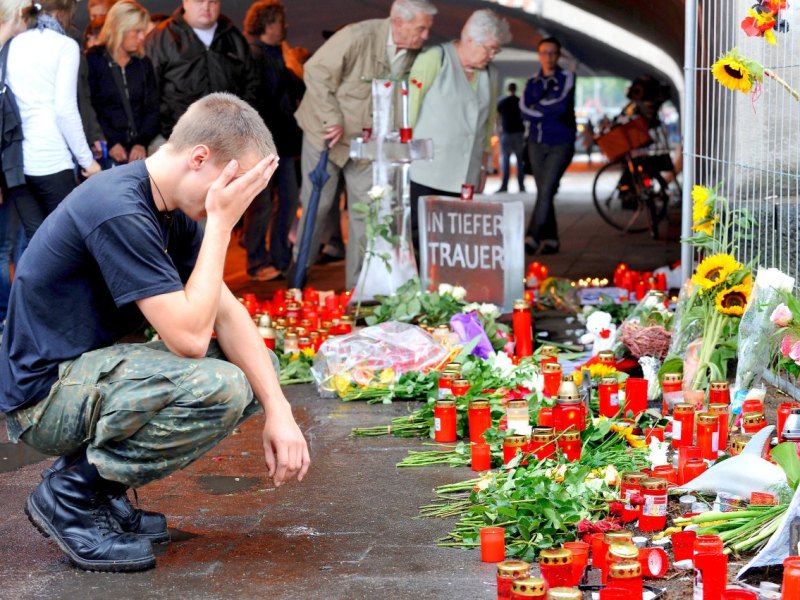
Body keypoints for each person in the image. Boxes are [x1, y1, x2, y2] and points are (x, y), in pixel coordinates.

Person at [0, 92, 311, 572]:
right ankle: (72, 495)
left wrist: (280, 410)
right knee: (219, 382)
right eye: (234, 187)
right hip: (43, 398)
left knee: (258, 370)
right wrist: (222, 226)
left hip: (86, 374)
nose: (237, 204)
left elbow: (226, 316)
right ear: (200, 159)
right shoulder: (119, 206)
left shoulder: (168, 207)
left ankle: (97, 492)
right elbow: (187, 339)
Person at [292, 0, 436, 289]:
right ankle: (297, 278)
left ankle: (359, 290)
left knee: (367, 212)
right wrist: (331, 118)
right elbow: (316, 70)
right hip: (327, 135)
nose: (425, 36)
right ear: (398, 22)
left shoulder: (412, 52)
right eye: (420, 29)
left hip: (366, 145)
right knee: (317, 206)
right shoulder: (358, 36)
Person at [408, 9, 509, 256]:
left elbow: (488, 123)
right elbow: (409, 108)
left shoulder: (491, 73)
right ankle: (423, 289)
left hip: (466, 173)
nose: (493, 55)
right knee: (422, 234)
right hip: (428, 169)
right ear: (470, 39)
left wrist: (483, 164)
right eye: (490, 48)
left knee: (457, 238)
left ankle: (450, 290)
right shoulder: (435, 58)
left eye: (497, 50)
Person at [5, 0, 101, 243]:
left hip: (15, 163)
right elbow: (65, 110)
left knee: (36, 244)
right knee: (68, 243)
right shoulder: (65, 46)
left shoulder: (11, 44)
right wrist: (87, 161)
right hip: (52, 160)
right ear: (65, 12)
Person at [242, 0, 304, 281]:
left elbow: (298, 87)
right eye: (281, 21)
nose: (286, 26)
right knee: (261, 204)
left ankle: (280, 258)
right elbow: (257, 99)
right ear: (267, 24)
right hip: (263, 142)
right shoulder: (254, 55)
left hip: (285, 141)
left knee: (289, 200)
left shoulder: (280, 54)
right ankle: (256, 261)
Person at [144, 0, 258, 150]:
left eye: (213, 2)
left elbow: (252, 85)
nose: (206, 6)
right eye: (199, 1)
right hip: (174, 141)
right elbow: (148, 90)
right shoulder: (161, 38)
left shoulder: (234, 38)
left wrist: (240, 126)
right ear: (185, 2)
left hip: (227, 142)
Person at [520, 36, 575, 256]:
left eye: (553, 53)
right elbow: (523, 109)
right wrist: (542, 111)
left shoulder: (567, 77)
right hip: (535, 143)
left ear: (558, 55)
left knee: (547, 188)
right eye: (544, 52)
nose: (548, 57)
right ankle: (551, 240)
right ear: (539, 55)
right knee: (545, 191)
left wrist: (537, 110)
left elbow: (560, 106)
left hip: (560, 142)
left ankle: (532, 236)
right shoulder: (532, 81)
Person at [86, 0, 159, 166]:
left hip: (139, 150)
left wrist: (141, 143)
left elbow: (152, 108)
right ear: (120, 29)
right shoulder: (94, 60)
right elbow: (91, 107)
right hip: (106, 150)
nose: (142, 37)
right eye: (137, 31)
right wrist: (110, 142)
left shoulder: (143, 62)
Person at [0, 0, 30, 339]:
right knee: (4, 248)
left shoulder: (10, 52)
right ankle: (9, 321)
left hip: (10, 168)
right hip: (5, 168)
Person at [496, 81, 526, 193]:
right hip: (518, 134)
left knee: (505, 161)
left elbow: (497, 118)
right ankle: (521, 186)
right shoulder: (520, 102)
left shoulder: (503, 102)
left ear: (508, 89)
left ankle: (504, 186)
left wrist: (498, 131)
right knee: (520, 161)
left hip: (506, 133)